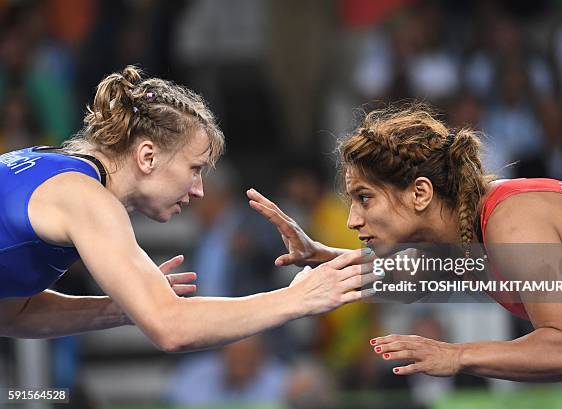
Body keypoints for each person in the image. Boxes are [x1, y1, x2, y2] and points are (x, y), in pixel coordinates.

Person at [246, 104, 562, 409]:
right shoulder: (467, 236)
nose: (352, 220)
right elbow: (399, 274)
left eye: (364, 198)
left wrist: (456, 356)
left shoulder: (512, 226)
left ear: (420, 193)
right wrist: (321, 255)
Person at [0, 66, 379, 353]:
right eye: (195, 169)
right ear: (147, 156)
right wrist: (297, 299)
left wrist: (125, 307)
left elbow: (14, 314)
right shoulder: (87, 198)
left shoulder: (51, 168)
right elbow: (171, 328)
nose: (199, 190)